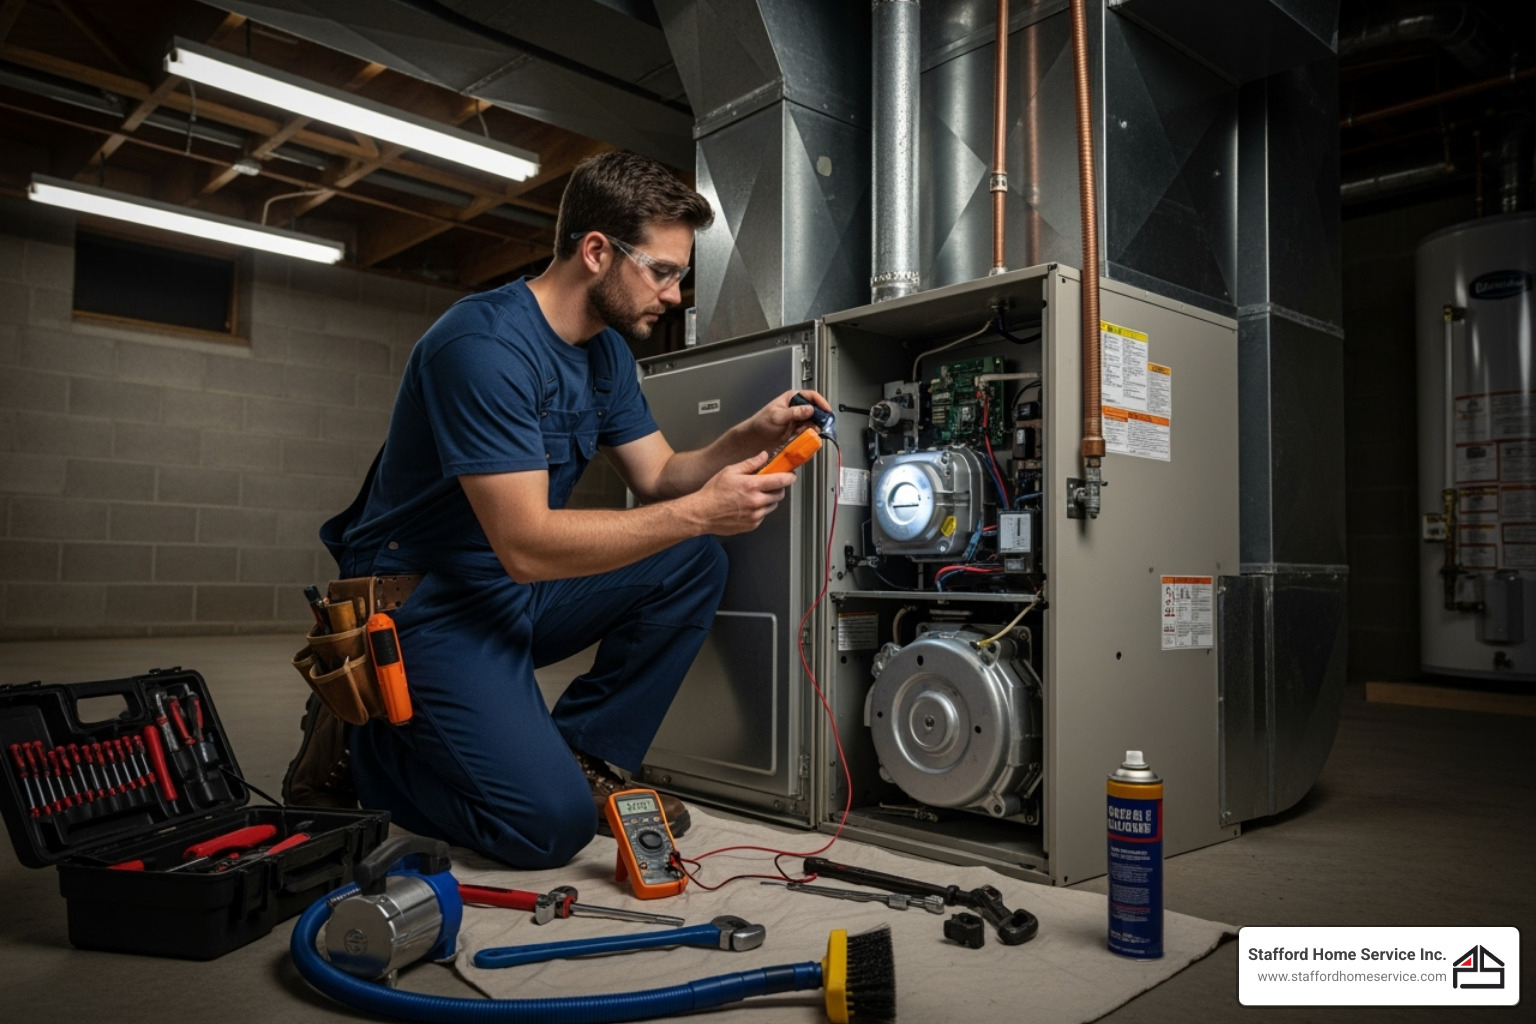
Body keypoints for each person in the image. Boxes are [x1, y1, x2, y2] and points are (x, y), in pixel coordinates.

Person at [282, 150, 831, 869]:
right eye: (662, 271)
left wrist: (744, 438)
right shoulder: (482, 346)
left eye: (679, 275)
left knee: (691, 561)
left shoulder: (604, 355)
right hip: (423, 606)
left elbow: (662, 474)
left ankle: (584, 755)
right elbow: (528, 545)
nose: (673, 294)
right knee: (547, 831)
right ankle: (366, 752)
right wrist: (703, 511)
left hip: (513, 593)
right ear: (596, 251)